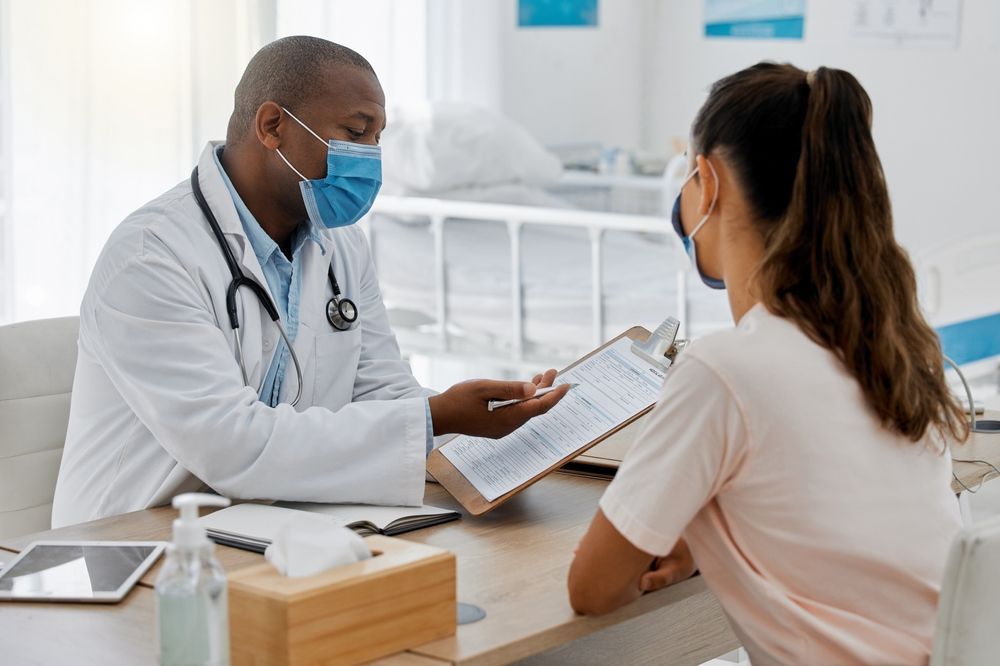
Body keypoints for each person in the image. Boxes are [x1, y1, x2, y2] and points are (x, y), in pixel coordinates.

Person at [51, 36, 568, 527]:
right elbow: (229, 443)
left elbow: (383, 391)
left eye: (378, 138)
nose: (370, 155)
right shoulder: (151, 257)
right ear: (273, 125)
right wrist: (437, 417)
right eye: (355, 131)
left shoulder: (339, 245)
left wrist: (503, 424)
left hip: (270, 520)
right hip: (131, 542)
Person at [567, 62, 968, 664]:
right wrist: (706, 543)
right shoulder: (894, 349)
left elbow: (593, 589)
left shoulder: (723, 370)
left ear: (709, 179)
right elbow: (827, 523)